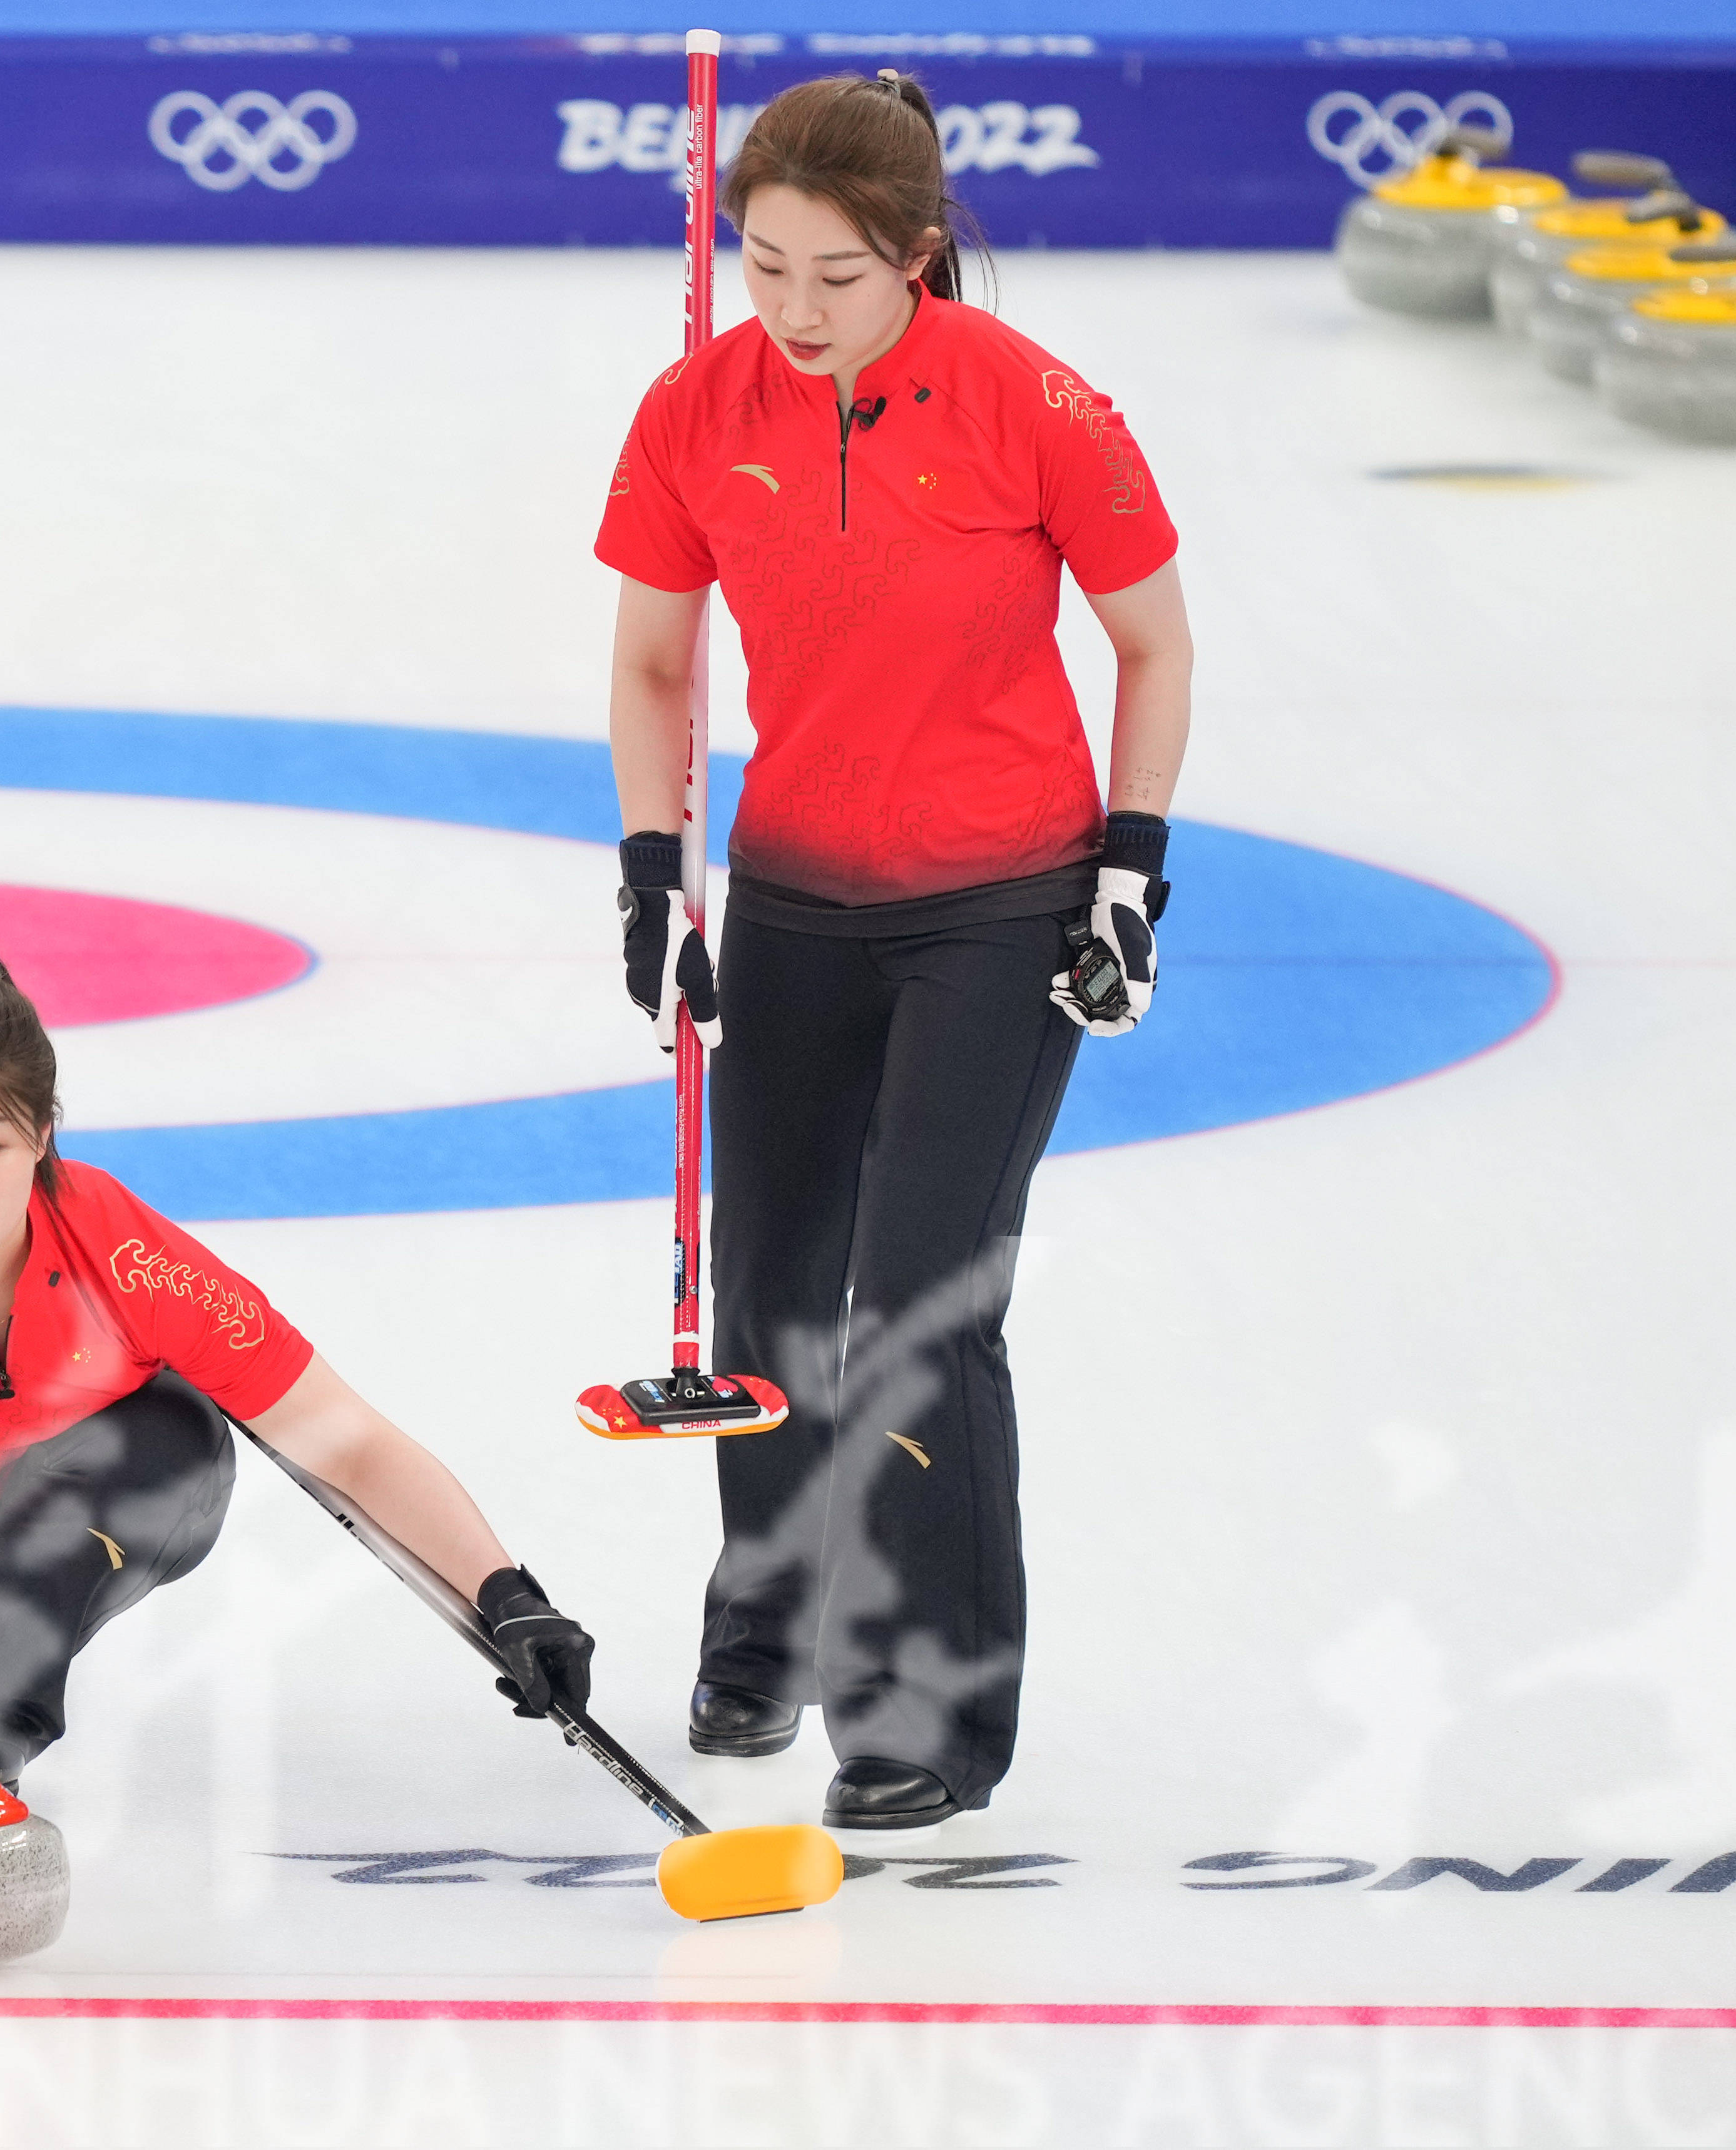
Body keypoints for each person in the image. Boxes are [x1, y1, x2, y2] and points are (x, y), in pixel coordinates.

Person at [591, 72, 1193, 1828]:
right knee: (776, 1293)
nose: (788, 313)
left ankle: (918, 1703)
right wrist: (652, 878)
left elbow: (1150, 645)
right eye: (760, 264)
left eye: (832, 278)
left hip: (999, 900)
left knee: (914, 1304)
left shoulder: (1030, 408)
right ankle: (763, 1623)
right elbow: (649, 664)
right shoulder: (696, 409)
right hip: (790, 894)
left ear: (916, 259)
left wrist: (1129, 868)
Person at [0, 943, 594, 1786]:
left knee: (171, 1431)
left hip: (42, 1542)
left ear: (39, 1135)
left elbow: (346, 1443)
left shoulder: (125, 1254)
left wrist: (508, 1595)